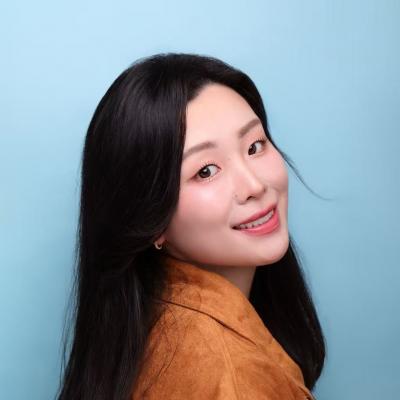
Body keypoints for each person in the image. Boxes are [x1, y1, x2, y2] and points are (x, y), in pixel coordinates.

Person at [56, 52, 326, 400]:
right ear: (151, 219)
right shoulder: (233, 376)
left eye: (255, 146)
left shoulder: (154, 326)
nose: (254, 186)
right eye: (206, 171)